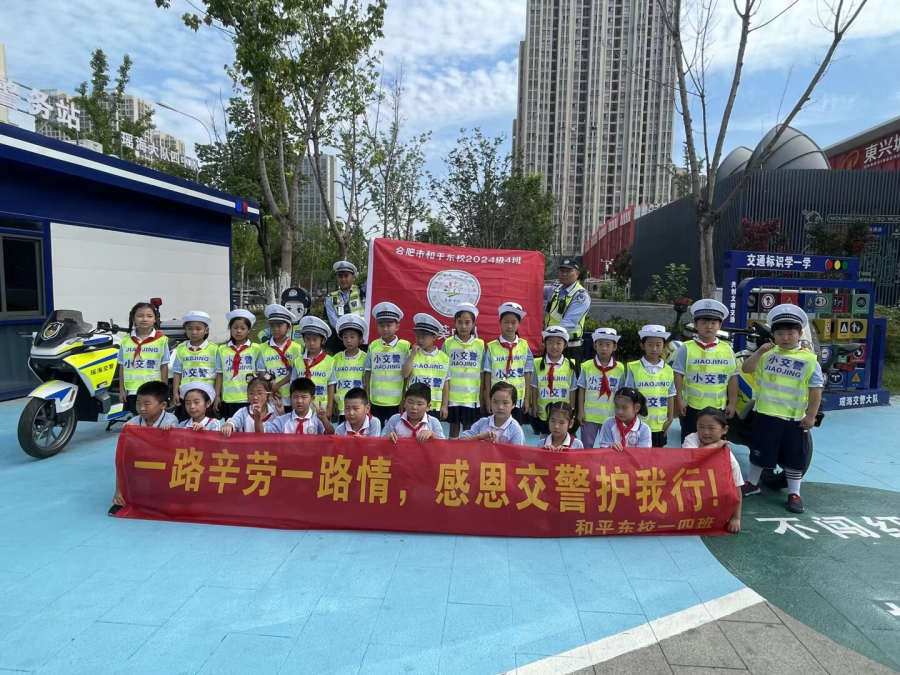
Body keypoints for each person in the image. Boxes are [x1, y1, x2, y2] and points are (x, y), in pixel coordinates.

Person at [739, 304, 823, 514]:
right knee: (759, 452)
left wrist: (811, 415)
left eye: (790, 333)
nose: (785, 338)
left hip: (793, 419)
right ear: (773, 335)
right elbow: (746, 369)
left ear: (800, 334)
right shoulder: (766, 354)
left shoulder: (809, 360)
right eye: (780, 333)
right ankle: (752, 484)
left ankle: (794, 493)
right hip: (766, 415)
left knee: (794, 457)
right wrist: (759, 352)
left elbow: (815, 389)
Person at [672, 299, 738, 442]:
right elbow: (678, 375)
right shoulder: (686, 348)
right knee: (690, 443)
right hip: (692, 408)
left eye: (714, 323)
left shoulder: (727, 349)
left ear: (720, 325)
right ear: (696, 325)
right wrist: (678, 400)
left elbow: (733, 377)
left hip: (718, 408)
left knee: (715, 445)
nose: (709, 326)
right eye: (704, 323)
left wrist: (732, 403)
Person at [109, 380, 177, 514]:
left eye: (147, 404)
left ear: (163, 405)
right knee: (123, 459)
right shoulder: (133, 422)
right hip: (143, 459)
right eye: (138, 403)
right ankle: (120, 496)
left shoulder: (171, 420)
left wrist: (169, 430)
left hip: (164, 461)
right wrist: (128, 431)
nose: (141, 408)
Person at [683, 407, 743, 533]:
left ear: (724, 430)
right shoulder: (692, 438)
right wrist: (716, 445)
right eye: (701, 427)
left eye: (711, 428)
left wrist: (736, 518)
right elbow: (692, 457)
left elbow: (736, 487)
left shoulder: (729, 459)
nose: (705, 432)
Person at [625, 325, 677, 447]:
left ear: (664, 346)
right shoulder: (634, 367)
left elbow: (670, 395)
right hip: (638, 424)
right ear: (642, 346)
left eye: (658, 345)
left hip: (660, 424)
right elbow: (628, 396)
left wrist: (670, 419)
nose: (654, 348)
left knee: (657, 455)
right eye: (650, 344)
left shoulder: (668, 370)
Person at [483, 302, 534, 424]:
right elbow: (487, 374)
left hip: (517, 399)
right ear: (500, 322)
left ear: (519, 324)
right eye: (506, 322)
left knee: (515, 428)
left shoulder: (524, 346)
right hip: (498, 400)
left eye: (513, 323)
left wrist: (527, 399)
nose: (509, 326)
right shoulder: (492, 347)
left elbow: (527, 374)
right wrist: (488, 399)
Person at [117, 301, 170, 415]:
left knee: (153, 418)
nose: (145, 319)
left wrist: (164, 391)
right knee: (137, 419)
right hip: (133, 390)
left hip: (153, 390)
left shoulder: (161, 340)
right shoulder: (125, 340)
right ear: (133, 318)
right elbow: (122, 366)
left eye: (149, 316)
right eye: (140, 316)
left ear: (155, 319)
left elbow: (164, 366)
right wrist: (122, 390)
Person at [443, 303, 485, 438]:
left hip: (471, 397)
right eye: (459, 322)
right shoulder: (448, 343)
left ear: (473, 324)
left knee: (469, 428)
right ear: (454, 323)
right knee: (453, 427)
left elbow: (482, 372)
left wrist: (481, 397)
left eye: (467, 322)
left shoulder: (479, 344)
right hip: (453, 397)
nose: (463, 326)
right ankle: (451, 450)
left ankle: (467, 451)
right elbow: (443, 372)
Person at [577, 327, 625, 448]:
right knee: (586, 448)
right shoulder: (586, 366)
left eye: (608, 345)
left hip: (611, 416)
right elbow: (582, 389)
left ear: (614, 347)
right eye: (600, 344)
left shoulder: (620, 368)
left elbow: (622, 394)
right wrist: (580, 411)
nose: (604, 348)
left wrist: (621, 413)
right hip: (589, 415)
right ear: (595, 346)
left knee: (609, 447)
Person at [366, 302, 411, 424]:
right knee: (374, 431)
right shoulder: (373, 346)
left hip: (396, 402)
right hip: (375, 401)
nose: (385, 329)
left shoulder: (405, 347)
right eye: (381, 325)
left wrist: (404, 399)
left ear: (397, 327)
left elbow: (406, 377)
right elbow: (368, 373)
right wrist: (367, 398)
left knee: (396, 431)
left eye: (389, 325)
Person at [531, 325, 578, 438]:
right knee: (544, 438)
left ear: (565, 345)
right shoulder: (537, 363)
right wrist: (534, 405)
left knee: (562, 437)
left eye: (558, 343)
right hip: (544, 411)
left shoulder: (570, 365)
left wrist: (572, 409)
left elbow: (572, 389)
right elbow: (534, 386)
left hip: (563, 411)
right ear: (545, 344)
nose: (554, 346)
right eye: (550, 342)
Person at [402, 313, 451, 419]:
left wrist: (444, 405)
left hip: (434, 406)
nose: (419, 340)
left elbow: (445, 383)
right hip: (414, 405)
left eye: (423, 337)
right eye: (418, 336)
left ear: (434, 337)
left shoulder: (444, 357)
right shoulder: (411, 353)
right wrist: (412, 355)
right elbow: (405, 375)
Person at [215, 309, 261, 420]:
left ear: (249, 330)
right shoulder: (222, 349)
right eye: (235, 328)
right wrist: (217, 396)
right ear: (230, 329)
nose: (238, 331)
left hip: (249, 398)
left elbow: (260, 374)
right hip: (229, 399)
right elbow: (219, 374)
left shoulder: (256, 348)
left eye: (243, 328)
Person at [171, 311, 217, 420]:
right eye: (190, 329)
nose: (194, 332)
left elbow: (219, 373)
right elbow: (177, 372)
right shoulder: (181, 349)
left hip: (206, 395)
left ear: (206, 330)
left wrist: (217, 394)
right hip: (186, 395)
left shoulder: (214, 349)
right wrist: (175, 392)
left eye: (198, 329)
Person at [257, 304, 302, 406]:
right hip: (270, 395)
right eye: (272, 326)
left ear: (288, 328)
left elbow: (296, 371)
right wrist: (271, 387)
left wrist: (278, 385)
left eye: (279, 325)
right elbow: (262, 370)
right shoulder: (263, 348)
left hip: (291, 395)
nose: (275, 329)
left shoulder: (296, 348)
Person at [256, 377, 333, 434]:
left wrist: (324, 419)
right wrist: (257, 416)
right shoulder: (282, 420)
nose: (299, 401)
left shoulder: (317, 419)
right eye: (295, 397)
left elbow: (331, 434)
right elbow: (261, 431)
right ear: (290, 397)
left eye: (304, 397)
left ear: (312, 399)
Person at [543, 257, 590, 351]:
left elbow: (568, 323)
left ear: (577, 274)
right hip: (551, 343)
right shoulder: (555, 290)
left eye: (568, 271)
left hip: (570, 347)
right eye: (562, 271)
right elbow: (533, 290)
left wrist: (549, 339)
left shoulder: (580, 296)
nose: (564, 274)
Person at [294, 316, 336, 418]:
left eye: (315, 339)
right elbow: (293, 384)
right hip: (302, 408)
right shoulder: (298, 361)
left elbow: (331, 385)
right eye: (308, 339)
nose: (311, 343)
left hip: (322, 408)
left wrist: (330, 407)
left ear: (323, 340)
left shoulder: (330, 361)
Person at [460, 381, 525, 445]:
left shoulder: (516, 431)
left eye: (505, 403)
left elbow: (517, 451)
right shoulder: (482, 423)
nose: (500, 407)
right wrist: (480, 437)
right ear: (490, 402)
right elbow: (461, 441)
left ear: (513, 404)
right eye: (495, 402)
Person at [333, 315, 368, 423]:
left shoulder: (365, 358)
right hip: (342, 406)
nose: (348, 340)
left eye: (352, 337)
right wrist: (334, 402)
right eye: (345, 337)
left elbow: (367, 382)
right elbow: (333, 382)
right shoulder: (336, 358)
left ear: (360, 338)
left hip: (359, 406)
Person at [325, 261, 365, 343]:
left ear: (353, 277)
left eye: (346, 276)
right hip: (340, 338)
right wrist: (347, 335)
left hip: (360, 337)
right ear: (336, 278)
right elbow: (333, 321)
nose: (343, 279)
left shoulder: (362, 292)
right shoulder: (330, 298)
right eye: (340, 276)